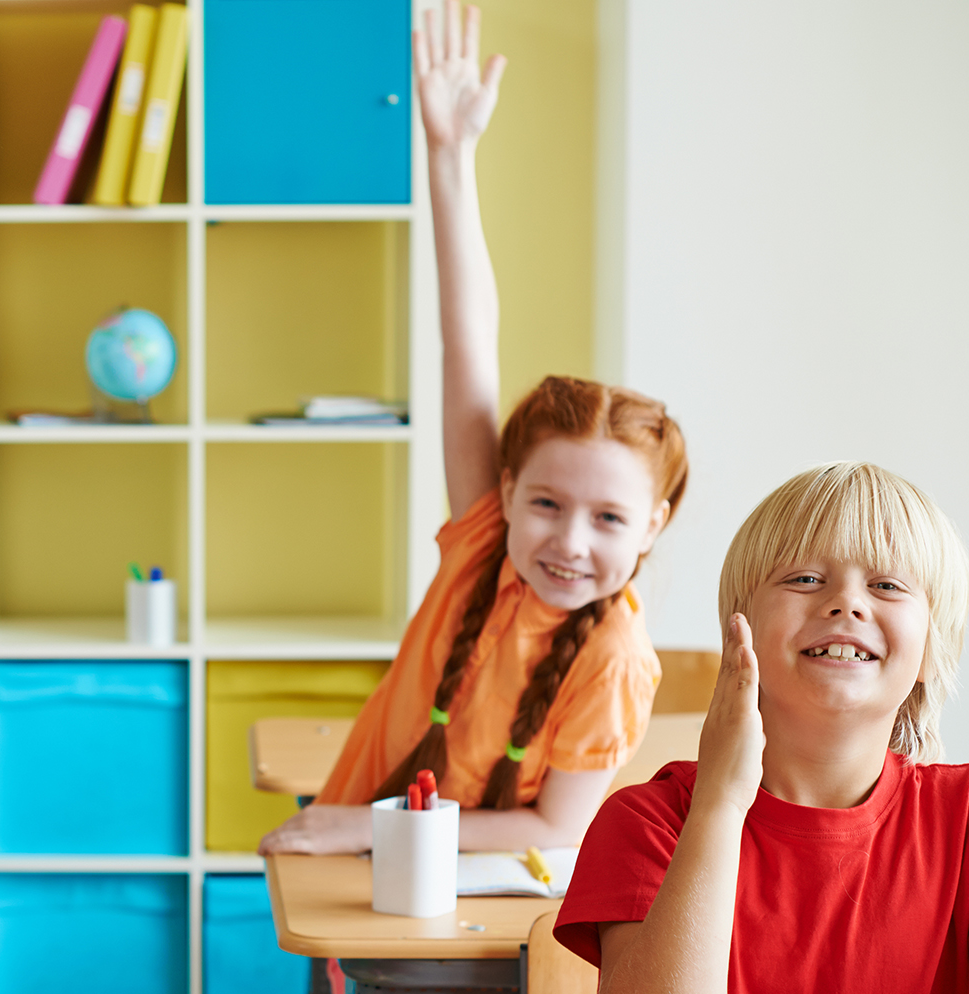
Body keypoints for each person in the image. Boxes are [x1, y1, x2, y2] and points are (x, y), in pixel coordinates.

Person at [261, 2, 688, 857]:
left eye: (607, 517)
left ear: (654, 524)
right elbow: (469, 340)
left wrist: (361, 829)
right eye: (547, 503)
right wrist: (448, 158)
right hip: (360, 867)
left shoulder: (612, 656)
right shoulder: (485, 542)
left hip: (465, 913)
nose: (569, 540)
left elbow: (556, 828)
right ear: (504, 492)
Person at [559, 463, 969, 994]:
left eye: (886, 585)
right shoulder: (649, 821)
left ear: (931, 644)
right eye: (804, 578)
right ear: (737, 627)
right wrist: (719, 801)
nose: (846, 604)